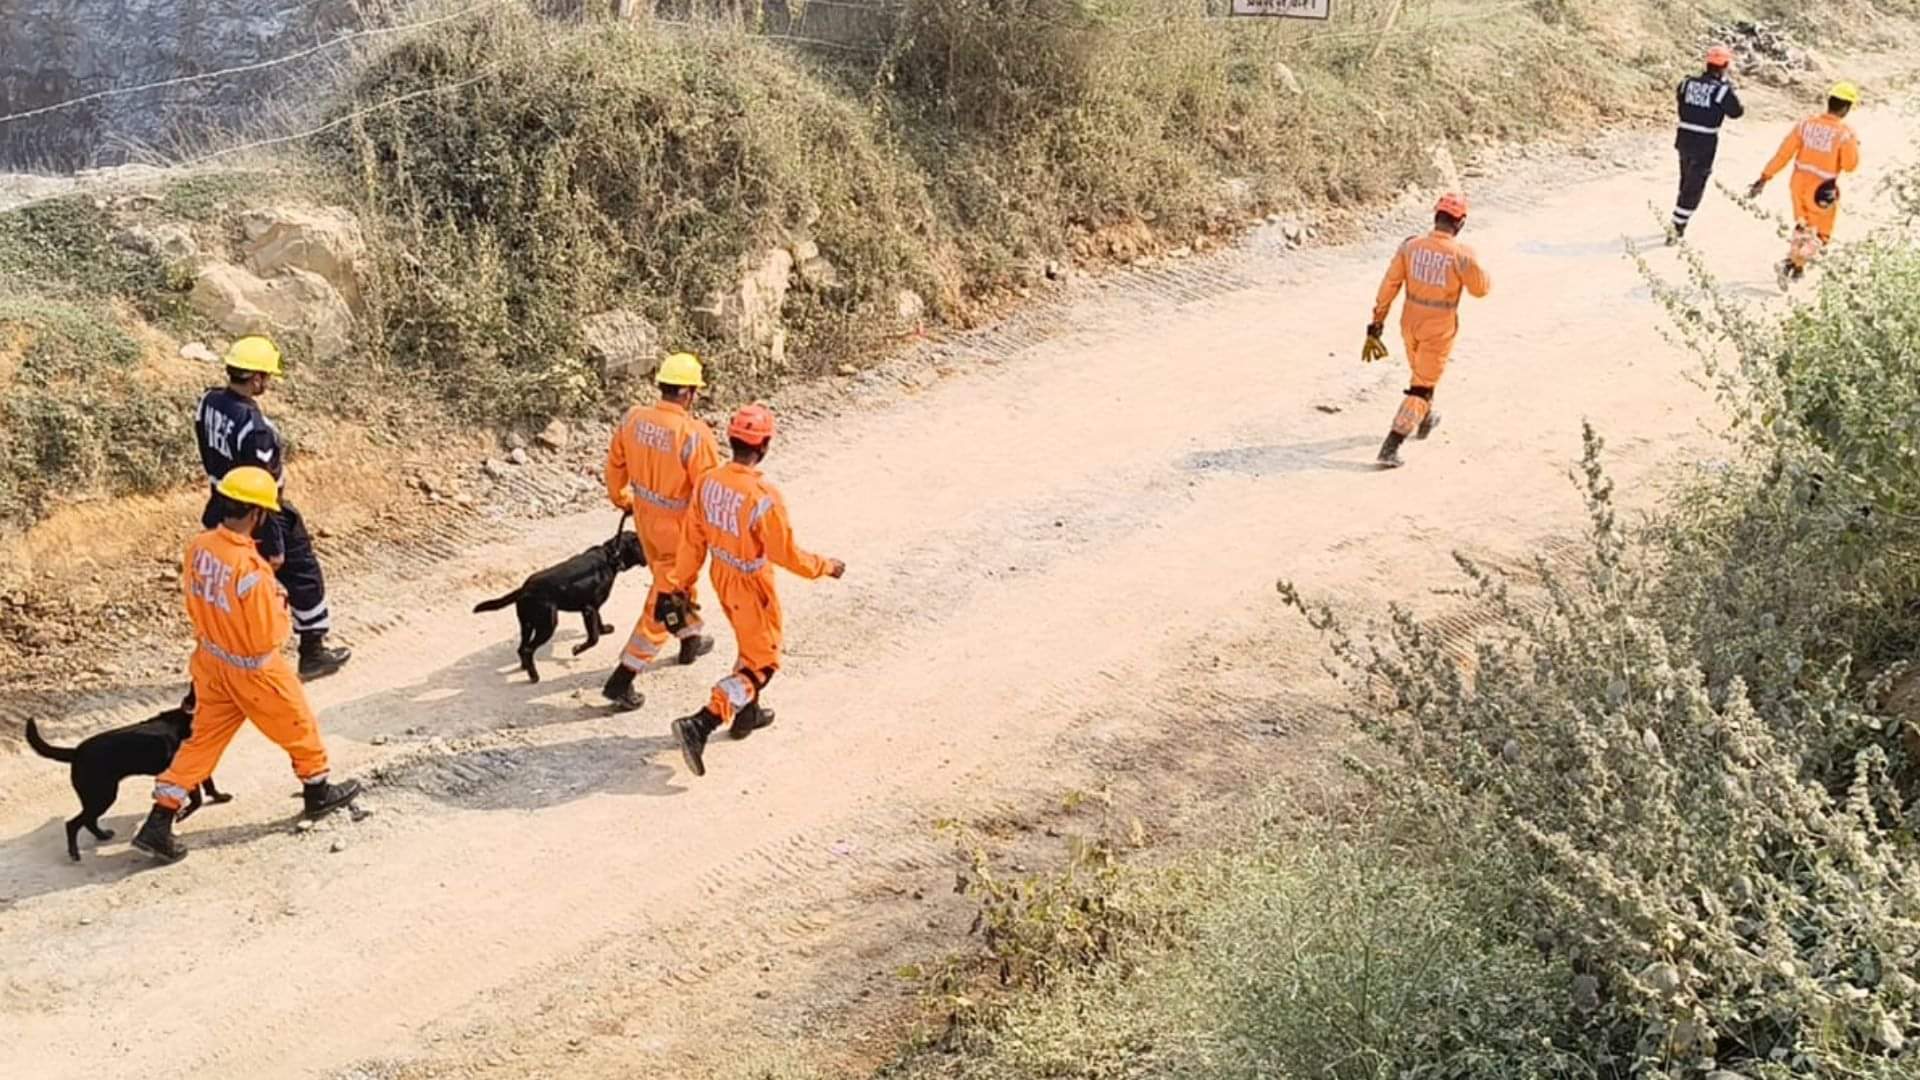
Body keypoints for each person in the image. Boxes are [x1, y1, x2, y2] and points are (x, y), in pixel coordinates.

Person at [132, 466, 362, 862]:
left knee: (202, 740)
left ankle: (159, 819)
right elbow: (266, 635)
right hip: (255, 669)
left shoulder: (200, 546)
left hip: (211, 662)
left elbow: (193, 601)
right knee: (299, 725)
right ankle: (318, 791)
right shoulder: (251, 572)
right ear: (258, 514)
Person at [656, 405, 845, 777]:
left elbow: (692, 541)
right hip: (753, 585)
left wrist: (677, 584)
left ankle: (748, 715)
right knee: (764, 662)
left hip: (721, 575)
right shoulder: (763, 497)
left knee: (750, 645)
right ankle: (704, 721)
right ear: (766, 445)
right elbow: (785, 555)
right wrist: (826, 566)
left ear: (731, 440)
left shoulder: (708, 481)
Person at [192, 336, 349, 683]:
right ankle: (312, 652)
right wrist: (274, 537)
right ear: (257, 378)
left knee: (227, 582)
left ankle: (225, 655)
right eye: (267, 376)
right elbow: (263, 488)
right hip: (259, 512)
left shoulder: (208, 402)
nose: (269, 382)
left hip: (220, 503)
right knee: (301, 573)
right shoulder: (255, 428)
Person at [599, 352, 721, 711]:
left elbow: (615, 462)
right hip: (679, 530)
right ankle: (623, 677)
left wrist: (621, 497)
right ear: (687, 394)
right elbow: (710, 491)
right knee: (664, 598)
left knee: (675, 585)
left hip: (645, 520)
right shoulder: (693, 434)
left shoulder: (634, 419)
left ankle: (689, 638)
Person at [1362, 193, 1493, 469]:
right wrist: (1473, 262)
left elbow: (1389, 285)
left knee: (1421, 374)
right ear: (1461, 223)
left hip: (1409, 323)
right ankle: (1392, 444)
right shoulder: (1461, 255)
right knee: (1421, 386)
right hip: (1439, 329)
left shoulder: (1410, 247)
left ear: (1436, 217)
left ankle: (1426, 418)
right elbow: (1481, 290)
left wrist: (1377, 322)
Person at [1750, 82, 1861, 290]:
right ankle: (1789, 264)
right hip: (1822, 190)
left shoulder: (1805, 124)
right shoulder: (1845, 133)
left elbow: (1783, 154)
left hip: (1798, 184)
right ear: (1846, 108)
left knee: (1803, 227)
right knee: (1820, 236)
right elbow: (1850, 166)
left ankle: (1797, 269)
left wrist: (1765, 177)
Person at [1670, 44, 1746, 244]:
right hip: (1704, 141)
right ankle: (1677, 225)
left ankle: (1679, 215)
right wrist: (1729, 89)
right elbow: (1736, 112)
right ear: (1725, 65)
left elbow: (1680, 98)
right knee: (1695, 184)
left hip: (1684, 137)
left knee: (1686, 179)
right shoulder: (1721, 90)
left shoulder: (1686, 83)